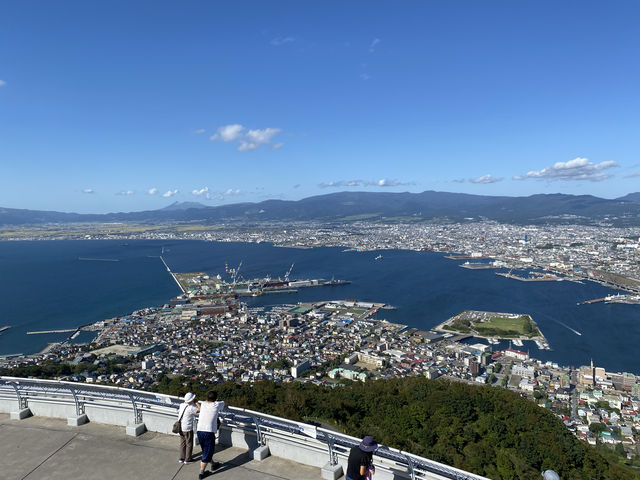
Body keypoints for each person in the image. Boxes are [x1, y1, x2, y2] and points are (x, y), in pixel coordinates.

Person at [196, 390, 225, 479]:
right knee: (207, 453)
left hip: (199, 431)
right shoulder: (217, 404)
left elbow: (200, 405)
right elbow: (223, 402)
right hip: (208, 432)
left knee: (206, 450)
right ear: (215, 399)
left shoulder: (203, 404)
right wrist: (218, 400)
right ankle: (201, 473)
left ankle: (213, 464)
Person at [177, 392, 200, 464]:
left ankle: (182, 457)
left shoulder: (181, 405)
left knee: (183, 443)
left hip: (180, 427)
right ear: (191, 400)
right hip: (187, 428)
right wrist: (197, 403)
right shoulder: (191, 408)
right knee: (189, 443)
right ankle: (188, 459)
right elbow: (200, 410)